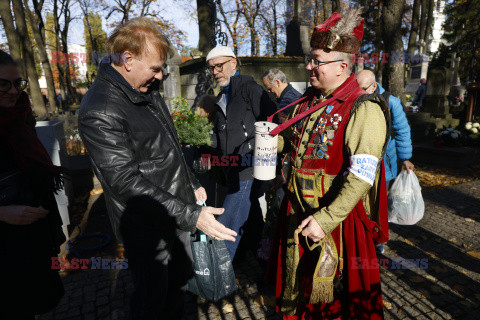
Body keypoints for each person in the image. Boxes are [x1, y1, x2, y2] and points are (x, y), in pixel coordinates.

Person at [78, 18, 236, 320]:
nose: (161, 75)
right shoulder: (100, 108)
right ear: (127, 59)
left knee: (175, 290)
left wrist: (189, 181)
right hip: (147, 228)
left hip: (173, 211)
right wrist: (191, 215)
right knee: (153, 301)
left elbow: (169, 144)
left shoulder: (145, 88)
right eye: (155, 68)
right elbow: (123, 180)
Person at [267, 8, 391, 319]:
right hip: (297, 212)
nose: (308, 66)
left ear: (341, 66)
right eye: (309, 60)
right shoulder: (309, 100)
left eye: (316, 61)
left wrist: (326, 219)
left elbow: (363, 176)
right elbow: (297, 140)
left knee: (335, 305)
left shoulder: (364, 109)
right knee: (295, 290)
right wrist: (272, 141)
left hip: (338, 222)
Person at [0, 49, 65, 319]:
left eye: (18, 83)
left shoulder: (20, 116)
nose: (14, 91)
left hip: (30, 239)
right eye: (3, 84)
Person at [206, 45, 275, 260]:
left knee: (225, 225)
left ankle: (218, 279)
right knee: (252, 218)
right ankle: (260, 260)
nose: (215, 72)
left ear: (233, 64)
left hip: (248, 170)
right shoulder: (220, 99)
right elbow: (220, 136)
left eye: (219, 66)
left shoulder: (250, 90)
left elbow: (272, 125)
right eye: (211, 68)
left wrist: (267, 166)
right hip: (230, 170)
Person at [357, 69, 414, 253]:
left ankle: (377, 239)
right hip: (359, 161)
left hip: (383, 164)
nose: (358, 92)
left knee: (377, 204)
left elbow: (402, 131)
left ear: (374, 86)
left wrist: (405, 158)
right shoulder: (357, 98)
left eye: (363, 88)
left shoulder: (392, 103)